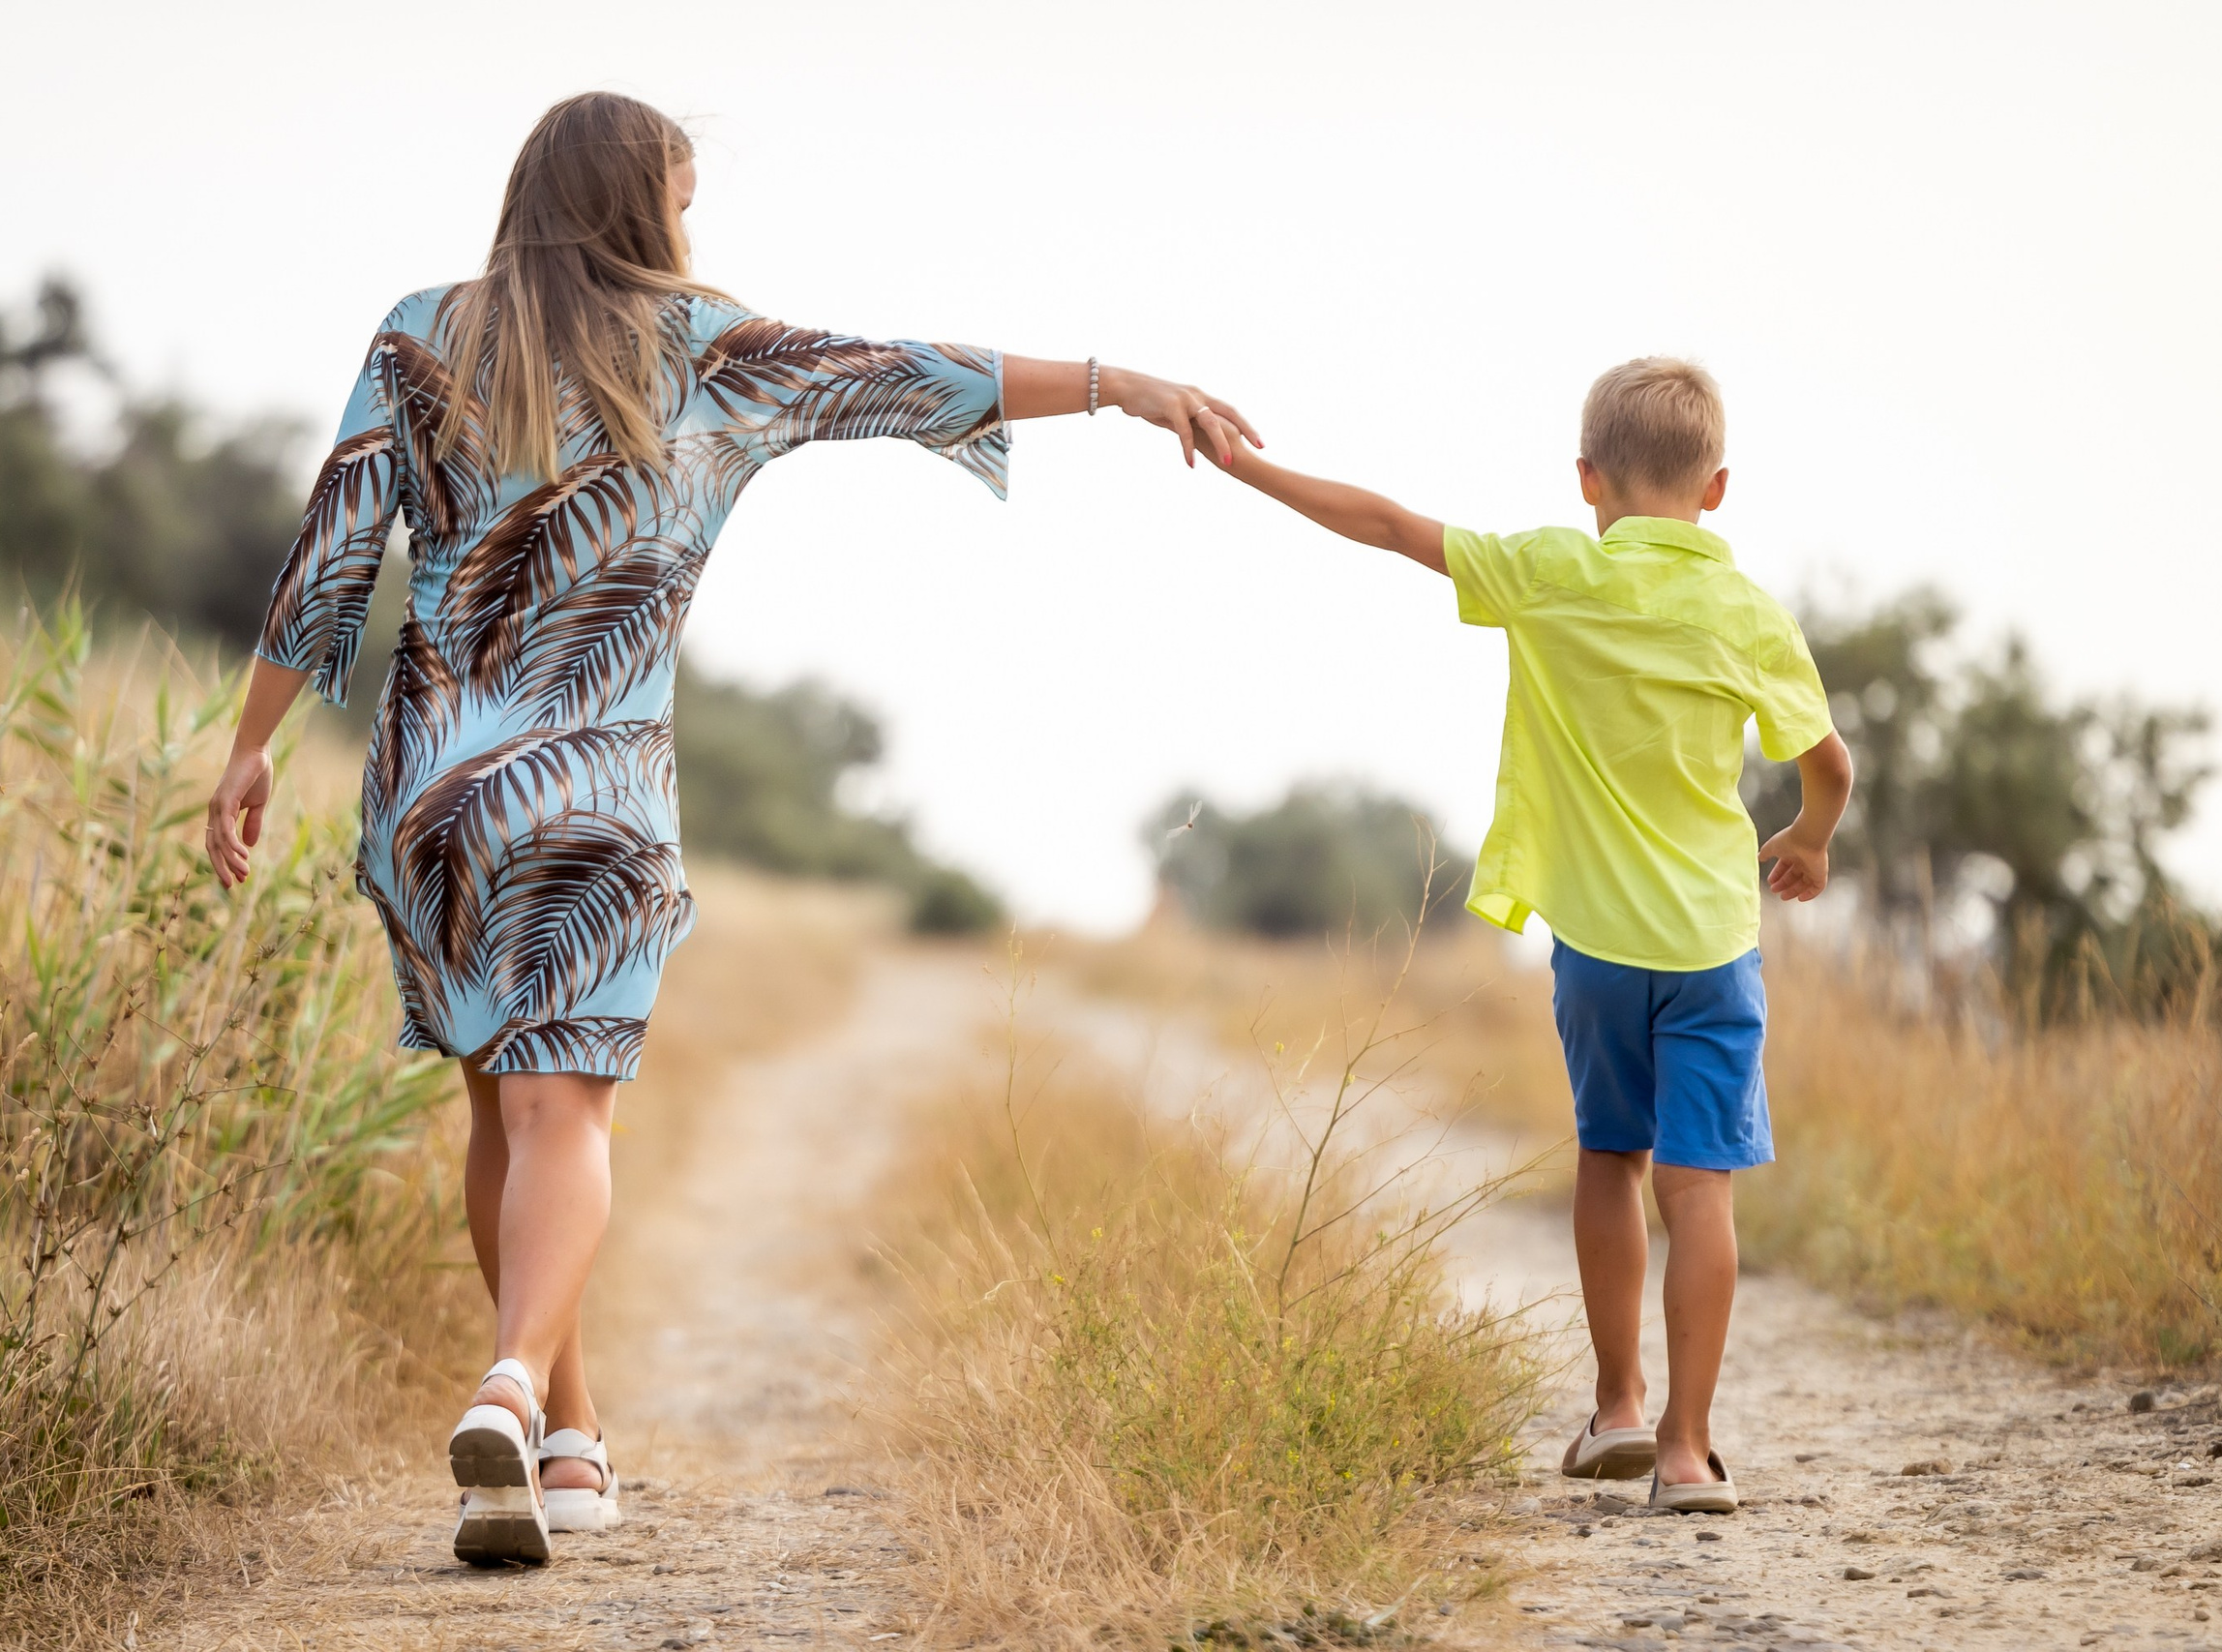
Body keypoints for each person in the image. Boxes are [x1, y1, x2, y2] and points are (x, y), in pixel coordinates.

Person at [202, 91, 1256, 1567]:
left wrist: (250, 745)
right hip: (600, 795)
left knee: (502, 1102)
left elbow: (329, 554)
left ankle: (561, 1445)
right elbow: (908, 374)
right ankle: (512, 1384)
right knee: (564, 1106)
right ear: (650, 205)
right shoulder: (705, 344)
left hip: (435, 790)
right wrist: (1115, 382)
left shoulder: (423, 327)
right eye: (684, 201)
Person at [1190, 358, 1851, 1514]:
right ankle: (1688, 1457)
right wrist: (1809, 839)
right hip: (1708, 943)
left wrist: (1249, 467)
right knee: (1701, 1193)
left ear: (1587, 479)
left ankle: (1616, 1408)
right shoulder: (1748, 614)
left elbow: (1388, 526)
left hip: (1596, 946)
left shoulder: (1550, 573)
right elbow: (1828, 766)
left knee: (1611, 1157)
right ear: (1719, 488)